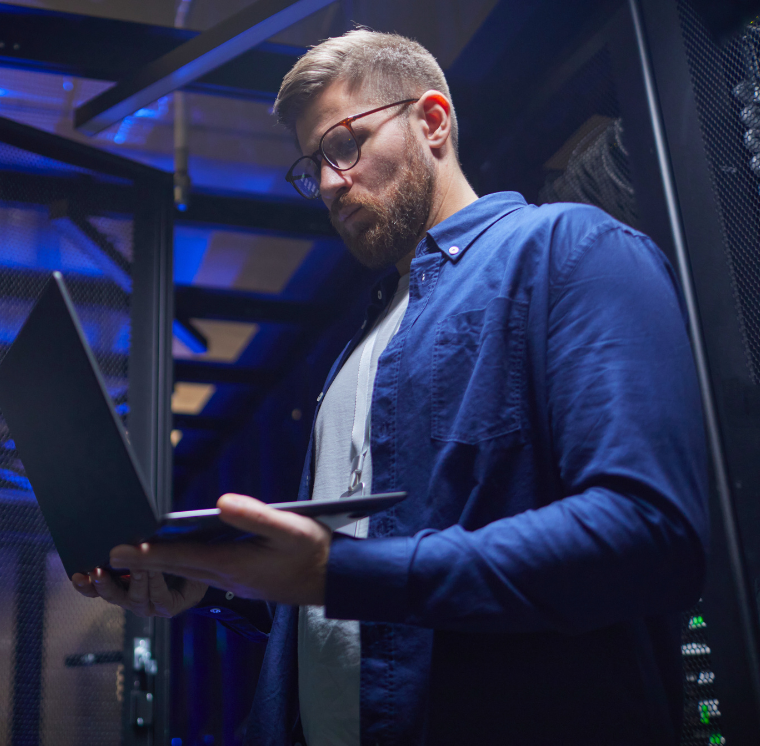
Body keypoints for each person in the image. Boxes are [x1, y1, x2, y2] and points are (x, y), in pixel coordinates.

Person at [72, 29, 708, 745]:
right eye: (310, 165)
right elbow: (351, 607)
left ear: (432, 121)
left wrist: (335, 570)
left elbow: (650, 534)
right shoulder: (361, 345)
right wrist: (228, 585)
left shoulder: (570, 251)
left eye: (344, 145)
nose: (326, 184)